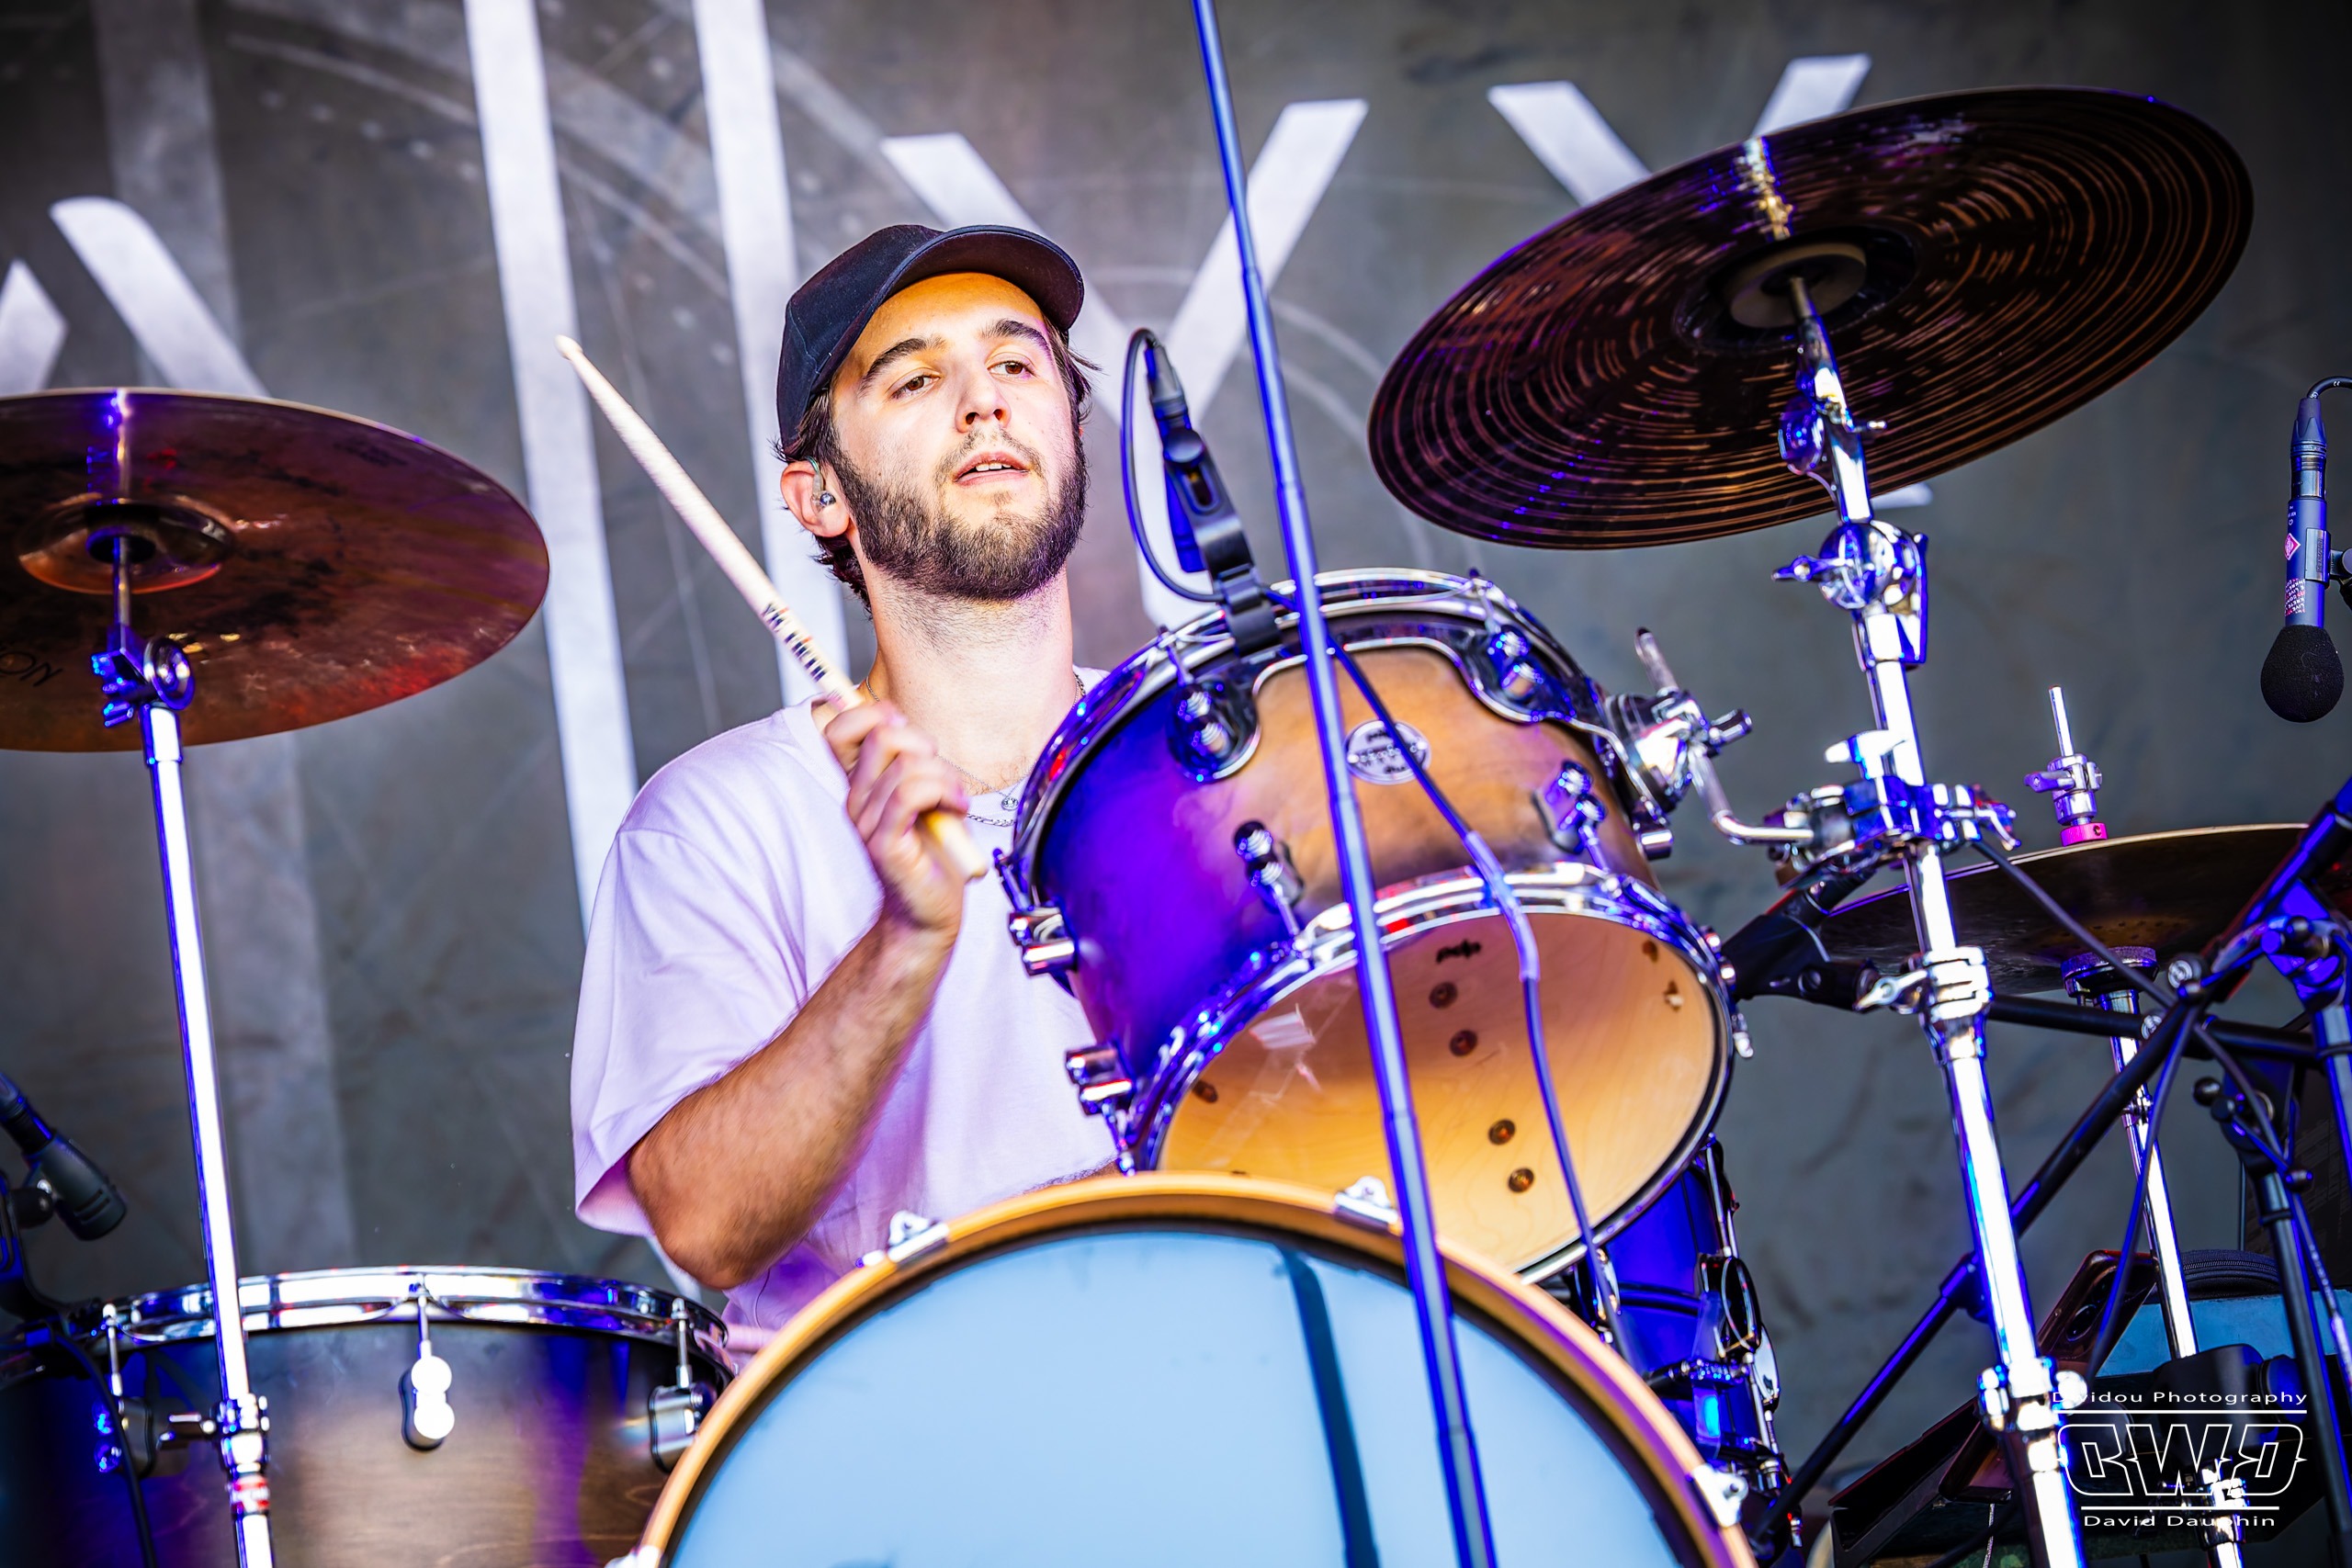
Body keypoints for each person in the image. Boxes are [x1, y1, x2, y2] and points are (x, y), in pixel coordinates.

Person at [570, 224, 1115, 1339]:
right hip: (902, 1426)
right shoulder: (713, 823)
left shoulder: (1207, 761)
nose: (984, 403)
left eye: (1016, 364)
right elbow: (709, 1227)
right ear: (820, 496)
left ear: (1070, 427)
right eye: (915, 380)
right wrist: (906, 938)